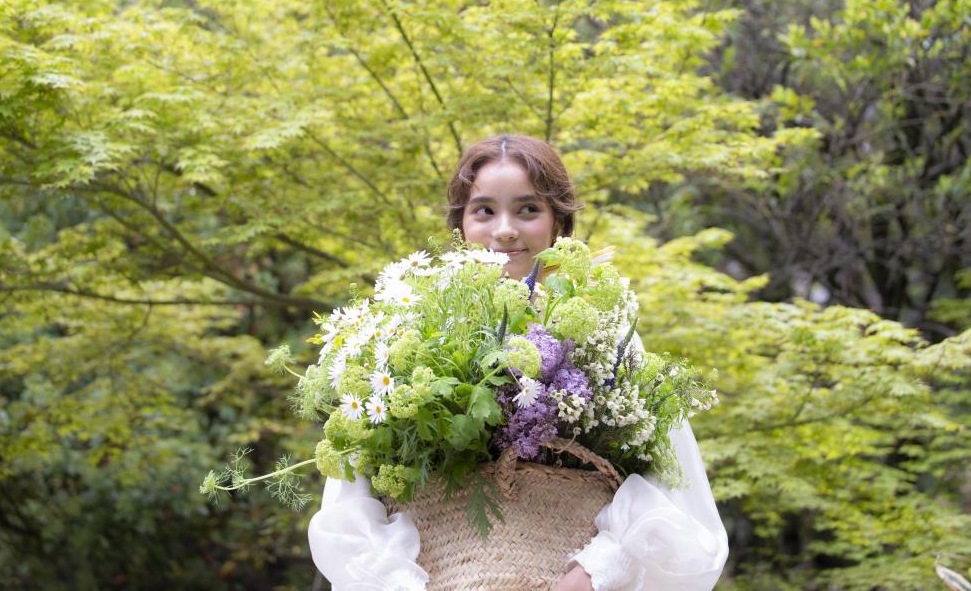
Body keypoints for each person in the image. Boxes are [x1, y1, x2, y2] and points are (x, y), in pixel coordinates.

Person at [309, 135, 729, 590]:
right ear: (461, 226)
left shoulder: (606, 336)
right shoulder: (406, 334)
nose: (505, 229)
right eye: (485, 210)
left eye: (528, 210)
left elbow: (675, 494)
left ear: (557, 225)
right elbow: (349, 510)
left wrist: (597, 571)